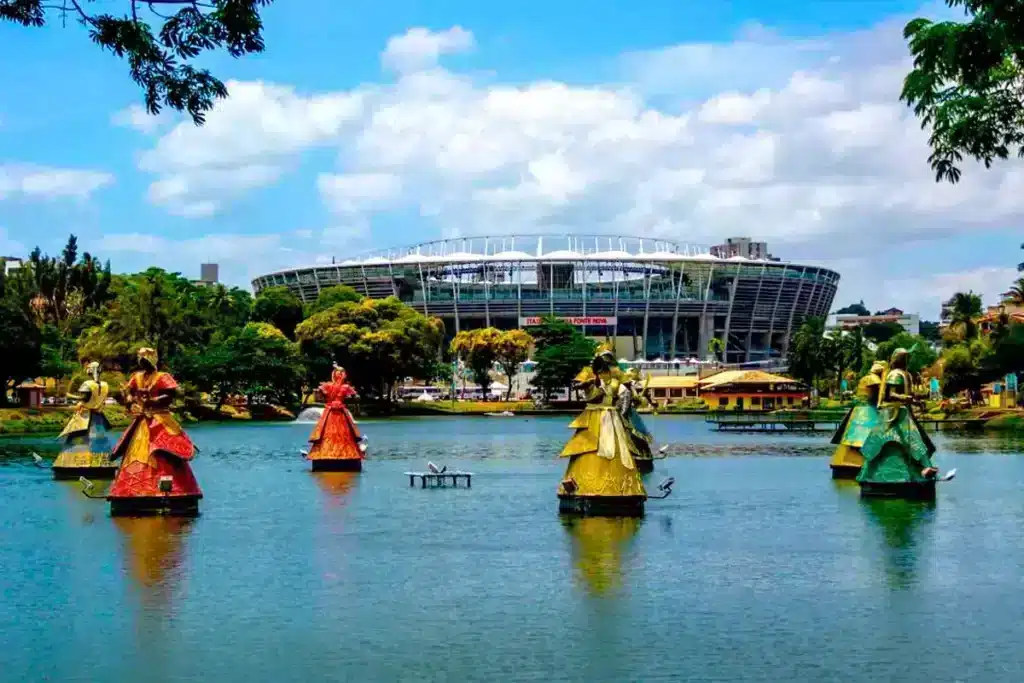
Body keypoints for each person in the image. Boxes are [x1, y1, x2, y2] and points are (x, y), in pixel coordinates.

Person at [107, 348, 202, 516]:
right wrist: (129, 399)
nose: (142, 361)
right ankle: (132, 490)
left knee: (166, 449)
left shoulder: (163, 377)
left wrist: (152, 400)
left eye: (145, 358)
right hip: (143, 421)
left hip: (161, 419)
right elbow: (128, 392)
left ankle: (172, 490)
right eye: (140, 358)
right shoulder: (136, 377)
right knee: (136, 452)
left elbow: (171, 394)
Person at [557, 348, 647, 516]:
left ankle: (619, 490)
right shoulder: (592, 377)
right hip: (598, 417)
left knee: (614, 450)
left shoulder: (615, 378)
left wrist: (623, 409)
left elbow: (627, 394)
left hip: (609, 417)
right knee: (594, 448)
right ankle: (588, 488)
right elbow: (582, 387)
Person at [856, 348, 941, 499]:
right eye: (903, 358)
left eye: (906, 358)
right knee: (909, 441)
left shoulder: (906, 374)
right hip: (894, 415)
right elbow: (891, 394)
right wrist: (904, 398)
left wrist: (915, 400)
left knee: (920, 441)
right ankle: (920, 469)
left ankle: (924, 468)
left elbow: (908, 393)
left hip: (905, 412)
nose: (905, 361)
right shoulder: (894, 375)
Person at [52, 361, 117, 479]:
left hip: (85, 417)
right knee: (100, 441)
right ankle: (103, 464)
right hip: (98, 418)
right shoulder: (105, 385)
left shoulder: (88, 384)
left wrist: (69, 395)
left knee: (81, 441)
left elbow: (84, 398)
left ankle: (74, 465)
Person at [828, 361, 886, 479]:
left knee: (851, 436)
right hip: (867, 411)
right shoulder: (874, 379)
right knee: (864, 437)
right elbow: (873, 396)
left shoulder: (865, 378)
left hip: (858, 410)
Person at [306, 363, 366, 471]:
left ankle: (325, 456)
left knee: (327, 434)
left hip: (329, 413)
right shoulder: (345, 387)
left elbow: (319, 393)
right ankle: (346, 457)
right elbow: (356, 397)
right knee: (344, 434)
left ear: (333, 375)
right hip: (341, 413)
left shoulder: (327, 386)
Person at [623, 367, 657, 474]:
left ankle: (643, 455)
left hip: (631, 415)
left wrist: (652, 403)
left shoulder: (633, 388)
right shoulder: (624, 389)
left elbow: (645, 396)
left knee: (639, 434)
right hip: (626, 415)